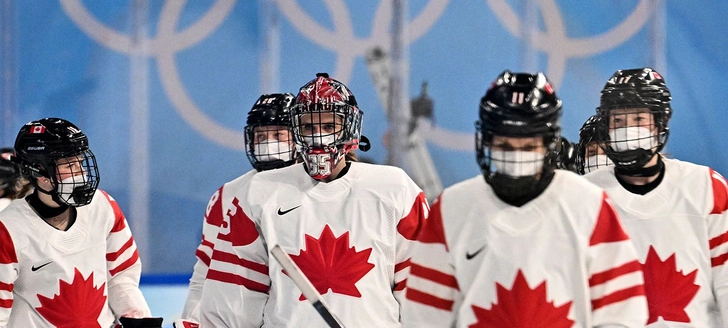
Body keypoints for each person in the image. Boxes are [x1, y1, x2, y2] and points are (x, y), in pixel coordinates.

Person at [401, 70, 648, 328]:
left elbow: (622, 312)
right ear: (487, 141)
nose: (517, 156)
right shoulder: (451, 209)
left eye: (529, 147)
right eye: (505, 146)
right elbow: (423, 317)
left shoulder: (589, 205)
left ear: (549, 145)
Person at [199, 73, 428, 327]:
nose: (318, 137)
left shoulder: (395, 188)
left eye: (329, 126)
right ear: (296, 130)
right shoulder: (259, 193)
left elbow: (422, 291)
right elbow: (232, 300)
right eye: (309, 127)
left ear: (350, 128)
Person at [585, 68, 728, 326]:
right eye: (618, 121)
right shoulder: (584, 196)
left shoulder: (707, 187)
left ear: (659, 123)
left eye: (639, 119)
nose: (627, 129)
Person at [0, 118, 162, 328]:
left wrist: (138, 319)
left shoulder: (104, 206)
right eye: (68, 164)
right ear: (40, 172)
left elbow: (121, 277)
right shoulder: (8, 229)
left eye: (79, 161)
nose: (81, 172)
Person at [176, 93, 298, 327]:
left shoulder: (318, 190)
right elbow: (206, 268)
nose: (267, 142)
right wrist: (191, 318)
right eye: (260, 135)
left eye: (277, 134)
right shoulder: (227, 196)